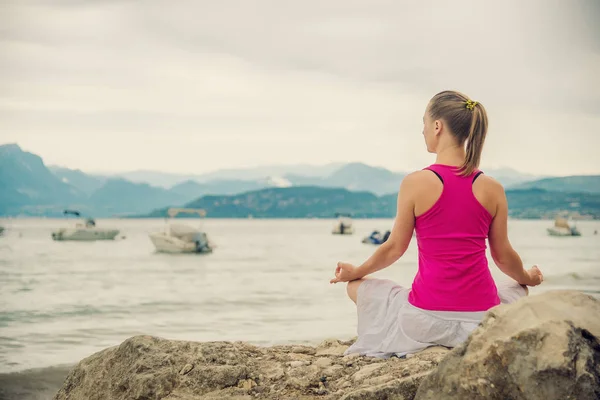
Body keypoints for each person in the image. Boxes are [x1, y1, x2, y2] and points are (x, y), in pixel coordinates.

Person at [330, 90, 544, 358]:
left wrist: (356, 271)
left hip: (424, 322)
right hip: (481, 321)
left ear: (437, 126)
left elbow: (394, 248)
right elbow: (503, 256)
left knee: (356, 287)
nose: (422, 132)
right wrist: (528, 278)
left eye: (423, 124)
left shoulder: (415, 183)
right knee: (517, 289)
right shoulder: (493, 188)